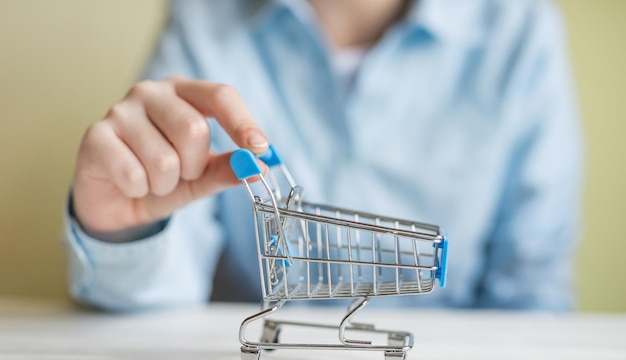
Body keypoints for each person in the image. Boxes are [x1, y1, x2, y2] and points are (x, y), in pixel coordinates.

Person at [65, 0, 583, 312]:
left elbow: (532, 293)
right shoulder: (206, 19)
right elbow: (165, 288)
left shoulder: (518, 30)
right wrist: (124, 231)